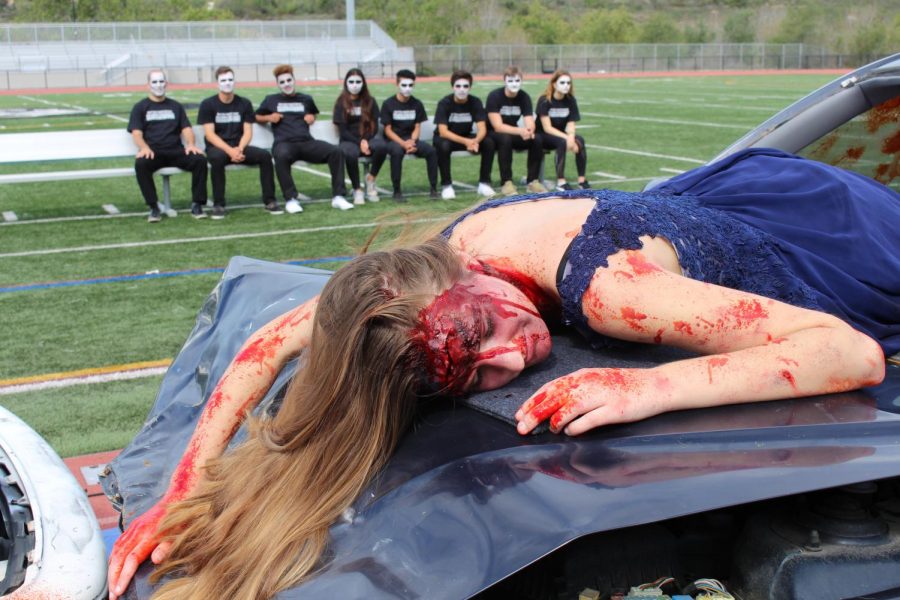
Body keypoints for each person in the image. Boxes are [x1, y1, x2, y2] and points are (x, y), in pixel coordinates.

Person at [108, 148, 897, 600]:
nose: (511, 358)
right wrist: (185, 487)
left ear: (468, 273)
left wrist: (647, 386)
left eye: (484, 329)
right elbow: (264, 350)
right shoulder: (398, 291)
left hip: (823, 237)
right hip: (730, 199)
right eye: (469, 372)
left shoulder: (611, 288)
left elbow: (849, 353)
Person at [255, 64, 353, 213]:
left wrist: (311, 116)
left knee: (336, 152)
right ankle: (291, 199)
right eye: (282, 82)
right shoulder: (271, 100)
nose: (286, 84)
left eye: (289, 80)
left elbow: (313, 113)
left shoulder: (306, 99)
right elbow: (255, 116)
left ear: (294, 80)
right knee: (280, 155)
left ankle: (338, 197)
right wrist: (269, 117)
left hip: (307, 142)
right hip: (285, 143)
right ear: (278, 84)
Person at [197, 66, 280, 218]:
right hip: (218, 148)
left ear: (234, 81)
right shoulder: (208, 104)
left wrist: (240, 149)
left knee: (264, 156)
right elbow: (210, 135)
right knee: (217, 159)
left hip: (239, 146)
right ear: (217, 83)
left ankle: (270, 200)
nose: (227, 83)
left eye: (230, 79)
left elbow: (248, 131)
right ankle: (219, 204)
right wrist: (230, 151)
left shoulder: (244, 103)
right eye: (223, 80)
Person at [128, 68, 208, 222]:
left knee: (200, 160)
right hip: (154, 153)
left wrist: (191, 144)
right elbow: (136, 133)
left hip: (176, 151)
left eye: (161, 81)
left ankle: (197, 204)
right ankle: (153, 207)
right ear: (148, 85)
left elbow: (186, 128)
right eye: (154, 82)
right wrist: (144, 148)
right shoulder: (140, 107)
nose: (158, 85)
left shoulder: (175, 106)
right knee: (141, 164)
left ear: (166, 83)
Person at [371, 69, 438, 202]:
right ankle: (397, 191)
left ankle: (434, 188)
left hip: (411, 140)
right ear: (397, 84)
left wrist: (412, 141)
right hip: (394, 141)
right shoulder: (388, 104)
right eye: (404, 85)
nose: (407, 88)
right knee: (397, 152)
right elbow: (388, 130)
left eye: (410, 85)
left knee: (431, 151)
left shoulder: (417, 104)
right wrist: (403, 143)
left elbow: (417, 126)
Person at [433, 69, 497, 200]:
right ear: (453, 87)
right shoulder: (444, 103)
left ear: (470, 88)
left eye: (465, 86)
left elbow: (482, 128)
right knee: (443, 146)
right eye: (458, 86)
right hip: (447, 138)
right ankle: (447, 185)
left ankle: (484, 183)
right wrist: (467, 142)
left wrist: (475, 141)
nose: (462, 89)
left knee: (489, 143)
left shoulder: (475, 102)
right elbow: (443, 132)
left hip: (467, 138)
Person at [485, 66, 547, 196]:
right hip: (493, 134)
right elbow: (497, 126)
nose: (514, 84)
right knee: (504, 139)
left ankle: (532, 181)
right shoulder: (494, 96)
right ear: (505, 81)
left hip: (512, 132)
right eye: (511, 81)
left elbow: (529, 120)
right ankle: (506, 182)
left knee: (536, 139)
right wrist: (520, 131)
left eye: (517, 81)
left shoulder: (524, 97)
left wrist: (529, 131)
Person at [332, 68, 387, 205]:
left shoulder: (370, 101)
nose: (355, 85)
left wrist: (365, 140)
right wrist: (359, 142)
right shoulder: (341, 102)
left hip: (367, 138)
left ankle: (371, 179)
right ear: (346, 83)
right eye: (351, 81)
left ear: (363, 83)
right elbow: (343, 131)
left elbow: (373, 126)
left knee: (381, 146)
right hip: (349, 140)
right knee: (350, 153)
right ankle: (357, 189)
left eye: (358, 81)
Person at [536, 69, 589, 192]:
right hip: (543, 135)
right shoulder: (544, 100)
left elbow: (571, 124)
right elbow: (547, 128)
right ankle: (561, 181)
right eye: (562, 82)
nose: (566, 86)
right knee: (562, 142)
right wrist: (567, 138)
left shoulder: (570, 100)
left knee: (580, 140)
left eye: (568, 83)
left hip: (560, 134)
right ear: (554, 84)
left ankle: (582, 180)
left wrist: (571, 137)